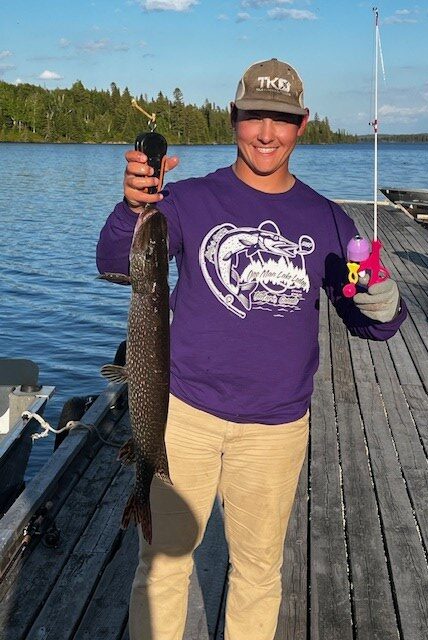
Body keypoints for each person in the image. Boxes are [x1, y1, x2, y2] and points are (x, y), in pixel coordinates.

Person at [96, 58, 407, 640]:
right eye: (255, 117)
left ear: (303, 125)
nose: (267, 133)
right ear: (233, 118)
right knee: (162, 565)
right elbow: (119, 263)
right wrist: (135, 208)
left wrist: (381, 303)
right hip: (181, 413)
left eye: (282, 120)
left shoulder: (327, 218)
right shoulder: (188, 200)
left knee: (260, 572)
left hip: (275, 427)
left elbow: (370, 321)